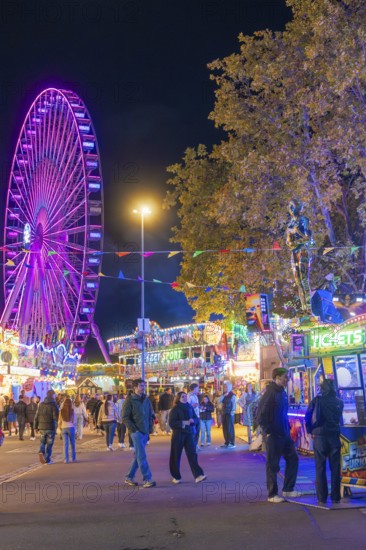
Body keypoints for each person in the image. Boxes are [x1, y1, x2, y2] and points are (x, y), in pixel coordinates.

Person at [256, 367, 299, 503]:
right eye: (285, 377)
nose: (288, 379)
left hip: (284, 433)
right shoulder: (271, 393)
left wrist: (287, 428)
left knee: (293, 458)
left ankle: (288, 489)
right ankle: (272, 494)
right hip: (274, 434)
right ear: (277, 378)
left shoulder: (282, 392)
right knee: (273, 464)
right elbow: (260, 414)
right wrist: (268, 431)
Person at [305, 379, 344, 505]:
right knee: (335, 467)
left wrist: (310, 430)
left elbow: (308, 416)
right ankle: (336, 497)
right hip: (334, 436)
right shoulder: (339, 402)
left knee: (320, 467)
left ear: (322, 388)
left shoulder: (317, 400)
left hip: (319, 436)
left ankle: (322, 497)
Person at [122, 379, 156, 488]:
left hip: (145, 431)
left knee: (138, 455)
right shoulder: (130, 400)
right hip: (136, 432)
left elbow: (150, 414)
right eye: (141, 385)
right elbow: (125, 417)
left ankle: (129, 477)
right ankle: (147, 479)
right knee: (142, 456)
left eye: (144, 385)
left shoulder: (146, 399)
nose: (143, 387)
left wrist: (150, 428)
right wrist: (134, 429)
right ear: (135, 387)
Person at [169, 392, 207, 484]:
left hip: (189, 433)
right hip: (178, 434)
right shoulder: (175, 409)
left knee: (192, 454)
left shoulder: (189, 406)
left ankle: (198, 475)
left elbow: (195, 418)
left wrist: (193, 420)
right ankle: (176, 477)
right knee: (176, 455)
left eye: (185, 396)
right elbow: (172, 423)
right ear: (178, 398)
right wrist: (184, 422)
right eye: (182, 396)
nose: (184, 398)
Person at [286, 198, 313, 315]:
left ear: (298, 208)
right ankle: (303, 309)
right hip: (294, 252)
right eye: (290, 207)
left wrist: (297, 232)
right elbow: (288, 242)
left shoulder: (304, 220)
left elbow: (308, 239)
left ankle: (309, 308)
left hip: (303, 251)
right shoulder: (290, 223)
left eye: (293, 206)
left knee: (304, 279)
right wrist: (291, 239)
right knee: (297, 281)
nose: (291, 209)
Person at [34, 389, 59, 465]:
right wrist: (57, 425)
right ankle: (47, 459)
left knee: (42, 442)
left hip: (41, 426)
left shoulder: (41, 404)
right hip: (50, 426)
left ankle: (41, 452)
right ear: (52, 395)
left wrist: (35, 426)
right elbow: (56, 417)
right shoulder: (54, 404)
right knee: (49, 444)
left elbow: (36, 416)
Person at [58, 396, 76, 463]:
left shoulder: (61, 411)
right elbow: (74, 421)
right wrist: (75, 429)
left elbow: (59, 421)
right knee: (73, 444)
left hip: (63, 428)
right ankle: (73, 458)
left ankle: (66, 459)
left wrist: (60, 428)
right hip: (71, 428)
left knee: (65, 444)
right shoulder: (72, 411)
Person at [219, 382, 237, 448]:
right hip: (224, 413)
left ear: (229, 387)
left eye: (226, 387)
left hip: (230, 413)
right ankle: (226, 442)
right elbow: (219, 401)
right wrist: (223, 395)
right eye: (224, 387)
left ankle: (232, 442)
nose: (224, 388)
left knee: (230, 428)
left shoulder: (233, 395)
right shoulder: (223, 395)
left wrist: (232, 412)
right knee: (225, 428)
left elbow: (234, 404)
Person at [187, 383, 201, 450]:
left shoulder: (195, 396)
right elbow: (187, 406)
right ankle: (192, 446)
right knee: (193, 432)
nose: (198, 389)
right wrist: (193, 405)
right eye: (197, 388)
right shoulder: (189, 396)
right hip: (193, 416)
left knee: (197, 431)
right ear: (194, 388)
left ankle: (195, 445)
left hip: (197, 415)